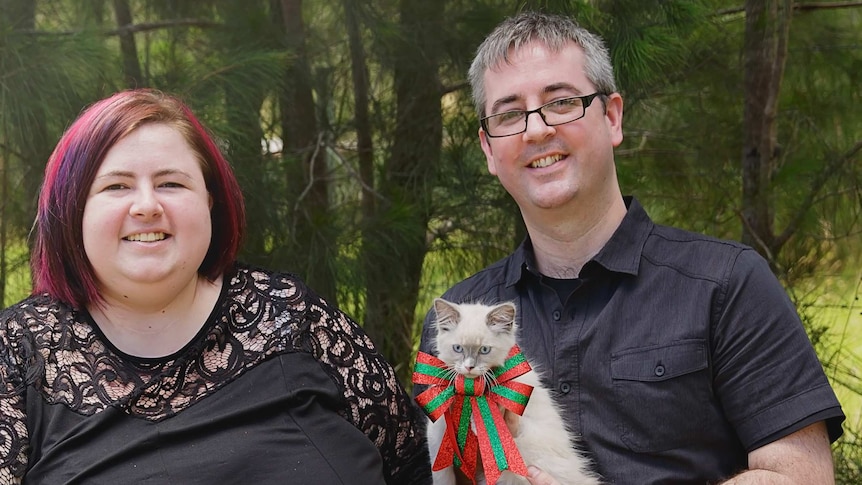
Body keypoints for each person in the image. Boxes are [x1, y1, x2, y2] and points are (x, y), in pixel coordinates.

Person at [416, 11, 845, 484]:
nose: (535, 130)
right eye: (509, 114)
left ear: (613, 117)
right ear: (488, 150)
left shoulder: (727, 283)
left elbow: (803, 476)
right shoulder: (461, 320)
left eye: (561, 102)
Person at [0, 89, 431, 484]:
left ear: (209, 200)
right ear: (72, 210)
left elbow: (418, 466)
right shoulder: (19, 353)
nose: (147, 206)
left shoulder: (293, 317)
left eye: (171, 183)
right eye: (116, 186)